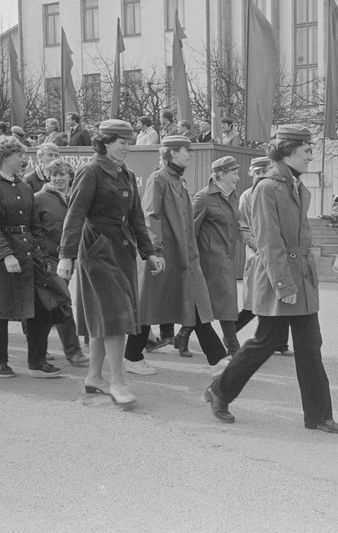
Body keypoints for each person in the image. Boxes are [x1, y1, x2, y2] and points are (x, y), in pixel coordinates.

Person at [204, 124, 338, 434]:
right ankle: (220, 391)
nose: (311, 155)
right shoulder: (269, 187)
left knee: (309, 346)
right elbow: (269, 240)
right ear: (287, 151)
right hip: (280, 277)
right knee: (264, 342)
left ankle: (319, 415)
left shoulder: (295, 186)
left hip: (299, 279)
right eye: (306, 150)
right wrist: (284, 284)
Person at [57, 119, 164, 406]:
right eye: (122, 142)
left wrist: (149, 251)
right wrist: (66, 256)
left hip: (123, 249)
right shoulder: (90, 171)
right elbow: (75, 215)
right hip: (98, 249)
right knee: (115, 316)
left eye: (129, 142)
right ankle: (117, 381)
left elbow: (137, 219)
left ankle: (94, 376)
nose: (126, 148)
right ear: (104, 142)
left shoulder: (126, 174)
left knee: (105, 316)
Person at [124, 135, 229, 375]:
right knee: (151, 305)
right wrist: (154, 251)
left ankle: (217, 358)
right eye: (187, 150)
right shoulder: (158, 179)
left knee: (191, 302)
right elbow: (150, 216)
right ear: (172, 152)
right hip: (164, 256)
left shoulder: (177, 181)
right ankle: (132, 356)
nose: (191, 154)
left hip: (182, 256)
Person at [0, 135, 60, 378]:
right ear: (4, 157)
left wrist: (42, 254)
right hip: (1, 257)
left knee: (39, 307)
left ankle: (37, 361)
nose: (25, 159)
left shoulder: (24, 186)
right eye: (19, 155)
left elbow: (35, 226)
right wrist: (7, 254)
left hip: (28, 253)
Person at [176, 156, 245, 359]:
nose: (237, 177)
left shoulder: (231, 195)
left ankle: (183, 334)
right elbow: (190, 230)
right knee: (220, 302)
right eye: (233, 173)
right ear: (220, 174)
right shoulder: (203, 197)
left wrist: (246, 236)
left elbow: (233, 223)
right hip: (208, 260)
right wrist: (189, 261)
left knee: (217, 303)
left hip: (226, 257)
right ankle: (233, 347)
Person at [34, 160, 89, 366]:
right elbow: (33, 229)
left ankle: (39, 349)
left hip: (68, 260)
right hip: (48, 260)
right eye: (54, 174)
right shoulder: (39, 198)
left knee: (50, 306)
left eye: (62, 175)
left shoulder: (75, 197)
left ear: (70, 176)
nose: (58, 178)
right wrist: (40, 256)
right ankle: (73, 352)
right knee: (63, 302)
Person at [237, 156, 289, 356]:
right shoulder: (247, 196)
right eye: (256, 172)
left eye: (263, 171)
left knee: (281, 297)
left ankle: (280, 343)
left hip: (277, 253)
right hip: (258, 255)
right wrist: (258, 246)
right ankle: (230, 334)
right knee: (254, 303)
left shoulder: (276, 191)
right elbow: (243, 227)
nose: (260, 176)